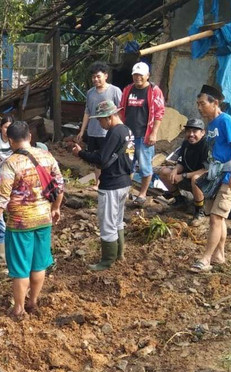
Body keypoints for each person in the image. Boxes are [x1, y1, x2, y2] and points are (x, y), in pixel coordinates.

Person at [0, 121, 63, 318]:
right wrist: (55, 208)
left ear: (11, 141)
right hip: (44, 219)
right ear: (30, 136)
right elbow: (60, 186)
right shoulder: (47, 156)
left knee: (21, 267)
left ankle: (19, 309)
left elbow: (1, 197)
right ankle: (33, 302)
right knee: (39, 264)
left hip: (20, 223)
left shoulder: (10, 163)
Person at [71, 100, 134, 270]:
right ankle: (119, 254)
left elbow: (101, 159)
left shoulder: (114, 132)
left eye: (100, 120)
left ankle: (107, 260)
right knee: (118, 220)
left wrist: (81, 153)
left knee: (107, 222)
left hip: (111, 183)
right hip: (124, 181)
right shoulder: (127, 131)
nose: (100, 123)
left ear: (109, 117)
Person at [190, 84, 231, 273]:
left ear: (215, 103)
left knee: (215, 218)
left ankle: (206, 259)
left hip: (230, 177)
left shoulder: (226, 121)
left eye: (202, 103)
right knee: (218, 219)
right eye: (198, 103)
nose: (199, 107)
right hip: (217, 176)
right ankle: (219, 255)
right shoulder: (211, 124)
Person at [0, 142, 49, 263]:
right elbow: (3, 195)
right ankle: (0, 261)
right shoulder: (20, 162)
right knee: (0, 228)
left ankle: (3, 256)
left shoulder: (21, 158)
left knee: (3, 226)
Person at [119, 62, 165, 206]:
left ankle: (142, 194)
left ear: (147, 76)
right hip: (129, 135)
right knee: (128, 164)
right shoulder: (127, 90)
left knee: (145, 166)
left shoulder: (154, 91)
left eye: (140, 75)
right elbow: (121, 110)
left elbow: (159, 113)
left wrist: (154, 133)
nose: (138, 77)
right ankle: (126, 191)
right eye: (135, 75)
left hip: (144, 135)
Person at [75, 61, 122, 189]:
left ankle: (108, 182)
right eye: (93, 77)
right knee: (96, 160)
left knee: (107, 158)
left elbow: (120, 110)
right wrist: (82, 130)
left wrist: (120, 129)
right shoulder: (90, 92)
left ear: (105, 76)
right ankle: (97, 183)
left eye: (98, 76)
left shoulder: (114, 91)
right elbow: (87, 112)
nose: (95, 79)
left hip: (108, 132)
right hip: (93, 131)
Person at [157, 118, 209, 225]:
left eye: (195, 131)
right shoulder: (186, 143)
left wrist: (184, 176)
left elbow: (205, 169)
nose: (191, 134)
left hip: (205, 182)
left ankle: (199, 212)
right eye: (189, 131)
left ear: (202, 132)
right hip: (187, 178)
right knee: (164, 171)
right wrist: (175, 170)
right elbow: (181, 163)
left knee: (196, 179)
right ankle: (180, 200)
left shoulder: (206, 145)